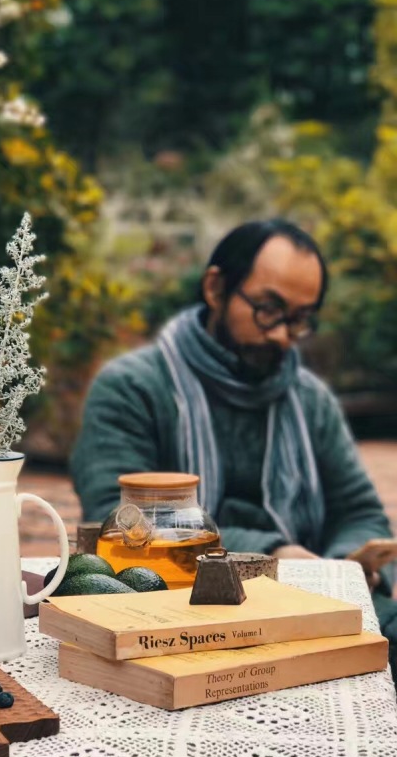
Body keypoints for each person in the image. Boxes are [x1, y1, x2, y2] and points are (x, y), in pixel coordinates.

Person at [70, 218, 397, 676]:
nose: (283, 334)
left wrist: (346, 565)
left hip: (308, 598)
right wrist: (272, 555)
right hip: (177, 611)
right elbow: (118, 518)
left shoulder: (310, 399)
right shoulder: (132, 389)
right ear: (216, 288)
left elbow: (359, 512)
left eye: (300, 319)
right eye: (268, 309)